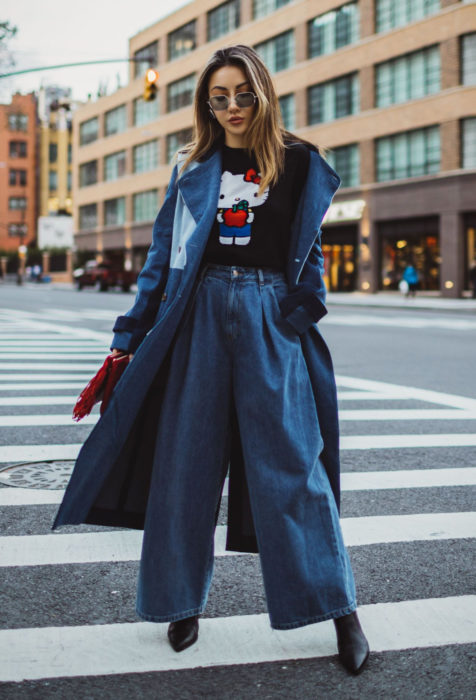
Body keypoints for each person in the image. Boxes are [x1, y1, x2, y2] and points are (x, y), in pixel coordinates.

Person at [53, 45, 369, 675]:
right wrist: (128, 333)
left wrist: (300, 314)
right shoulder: (194, 166)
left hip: (269, 315)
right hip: (197, 314)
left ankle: (341, 610)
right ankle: (180, 605)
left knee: (294, 468)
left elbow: (312, 250)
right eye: (218, 97)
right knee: (185, 464)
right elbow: (161, 254)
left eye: (243, 94)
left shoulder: (300, 162)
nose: (231, 108)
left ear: (263, 94)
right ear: (207, 103)